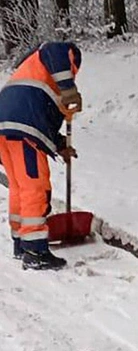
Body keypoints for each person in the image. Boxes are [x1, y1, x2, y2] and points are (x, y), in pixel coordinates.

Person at [0, 41, 82, 270]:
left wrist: (59, 145)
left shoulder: (31, 76)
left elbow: (40, 120)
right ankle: (36, 251)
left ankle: (21, 243)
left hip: (6, 130)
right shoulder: (57, 53)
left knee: (19, 187)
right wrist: (68, 88)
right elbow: (53, 49)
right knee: (35, 187)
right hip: (22, 130)